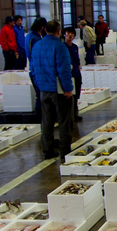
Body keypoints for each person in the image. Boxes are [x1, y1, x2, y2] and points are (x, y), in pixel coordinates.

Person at [30, 21, 74, 159]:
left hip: (43, 90)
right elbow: (64, 70)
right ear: (59, 31)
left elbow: (33, 69)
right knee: (64, 122)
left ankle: (48, 151)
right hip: (58, 91)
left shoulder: (37, 46)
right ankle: (65, 152)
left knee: (47, 123)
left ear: (44, 30)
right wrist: (68, 89)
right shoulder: (60, 47)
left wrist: (39, 86)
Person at [62, 26, 82, 121]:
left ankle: (75, 113)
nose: (70, 35)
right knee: (69, 96)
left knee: (76, 95)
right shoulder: (62, 47)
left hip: (76, 74)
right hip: (68, 75)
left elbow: (77, 60)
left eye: (72, 33)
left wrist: (78, 67)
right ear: (64, 34)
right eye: (68, 33)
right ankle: (69, 115)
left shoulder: (75, 47)